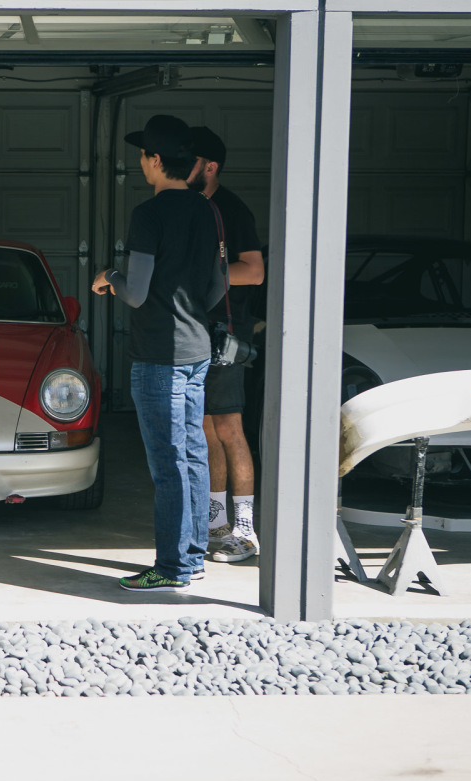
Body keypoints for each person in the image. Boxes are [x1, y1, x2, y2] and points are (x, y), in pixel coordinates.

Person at [92, 115, 223, 593]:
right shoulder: (208, 210)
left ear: (155, 160)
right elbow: (217, 285)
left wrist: (109, 276)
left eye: (144, 155)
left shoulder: (149, 214)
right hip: (197, 350)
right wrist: (187, 312)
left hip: (159, 357)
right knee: (192, 456)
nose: (142, 163)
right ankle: (192, 557)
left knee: (168, 465)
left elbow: (138, 293)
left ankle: (170, 569)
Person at [186, 126, 265, 564]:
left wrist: (200, 275)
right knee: (203, 429)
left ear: (209, 167)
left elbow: (254, 271)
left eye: (190, 162)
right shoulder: (189, 206)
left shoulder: (231, 209)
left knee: (229, 429)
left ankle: (247, 532)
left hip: (228, 332)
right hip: (195, 331)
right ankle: (216, 525)